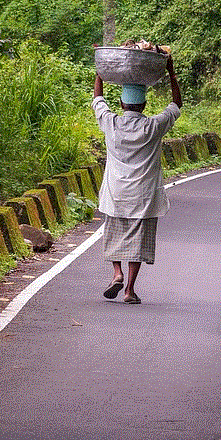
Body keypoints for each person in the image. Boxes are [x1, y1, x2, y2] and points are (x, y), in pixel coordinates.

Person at [92, 55, 183, 304]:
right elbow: (176, 105)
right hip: (143, 195)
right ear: (143, 106)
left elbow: (98, 100)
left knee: (113, 234)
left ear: (121, 103)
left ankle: (116, 272)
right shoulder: (154, 126)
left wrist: (101, 70)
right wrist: (171, 72)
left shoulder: (111, 123)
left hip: (116, 192)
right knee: (138, 241)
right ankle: (130, 290)